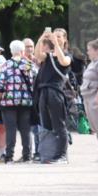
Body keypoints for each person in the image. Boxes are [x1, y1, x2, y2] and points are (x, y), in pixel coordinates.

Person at [33, 28, 72, 164]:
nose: (57, 38)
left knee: (59, 124)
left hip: (56, 92)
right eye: (55, 36)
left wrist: (56, 44)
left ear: (65, 39)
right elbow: (37, 55)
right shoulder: (48, 56)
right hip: (44, 92)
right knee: (46, 124)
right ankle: (48, 152)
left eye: (60, 36)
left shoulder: (66, 55)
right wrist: (41, 38)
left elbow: (63, 62)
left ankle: (61, 155)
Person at [0, 40, 34, 164]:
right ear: (22, 51)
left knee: (10, 129)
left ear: (11, 51)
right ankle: (27, 156)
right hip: (26, 102)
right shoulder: (29, 65)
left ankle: (9, 156)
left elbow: (0, 87)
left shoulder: (5, 65)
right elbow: (34, 82)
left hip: (8, 103)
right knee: (25, 130)